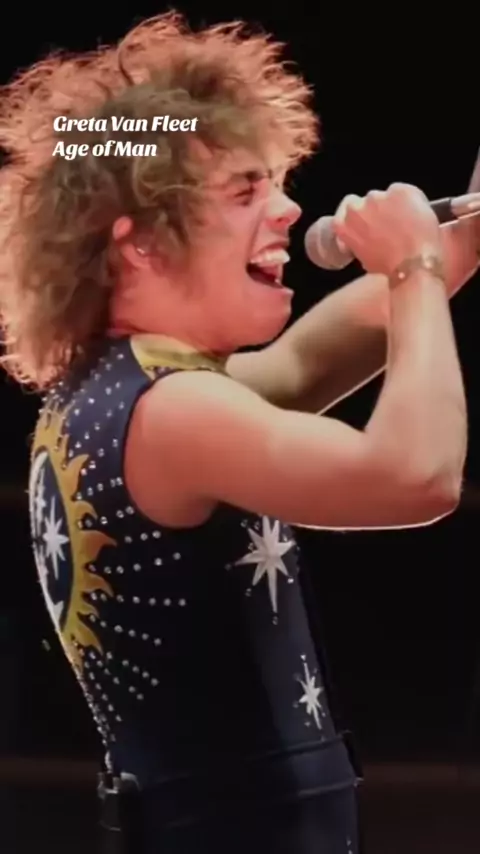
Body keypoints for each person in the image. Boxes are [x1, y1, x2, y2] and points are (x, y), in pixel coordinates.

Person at [0, 11, 478, 854]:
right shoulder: (173, 414)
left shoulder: (123, 390)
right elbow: (417, 475)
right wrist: (413, 268)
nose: (290, 209)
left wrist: (452, 245)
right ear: (141, 243)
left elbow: (304, 363)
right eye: (245, 191)